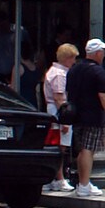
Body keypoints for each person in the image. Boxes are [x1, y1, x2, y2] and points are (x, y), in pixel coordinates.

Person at [65, 38, 105, 198]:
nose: (104, 54)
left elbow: (68, 92)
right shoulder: (98, 71)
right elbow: (104, 96)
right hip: (93, 116)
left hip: (77, 115)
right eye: (103, 51)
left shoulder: (74, 69)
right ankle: (84, 184)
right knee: (89, 149)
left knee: (82, 149)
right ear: (98, 53)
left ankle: (83, 183)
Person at [42, 42, 76, 194]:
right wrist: (65, 120)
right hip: (58, 111)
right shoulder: (59, 74)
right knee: (60, 147)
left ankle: (55, 178)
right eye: (73, 58)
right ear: (67, 58)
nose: (74, 62)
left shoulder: (53, 71)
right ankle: (59, 178)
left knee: (57, 146)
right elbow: (59, 98)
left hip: (54, 110)